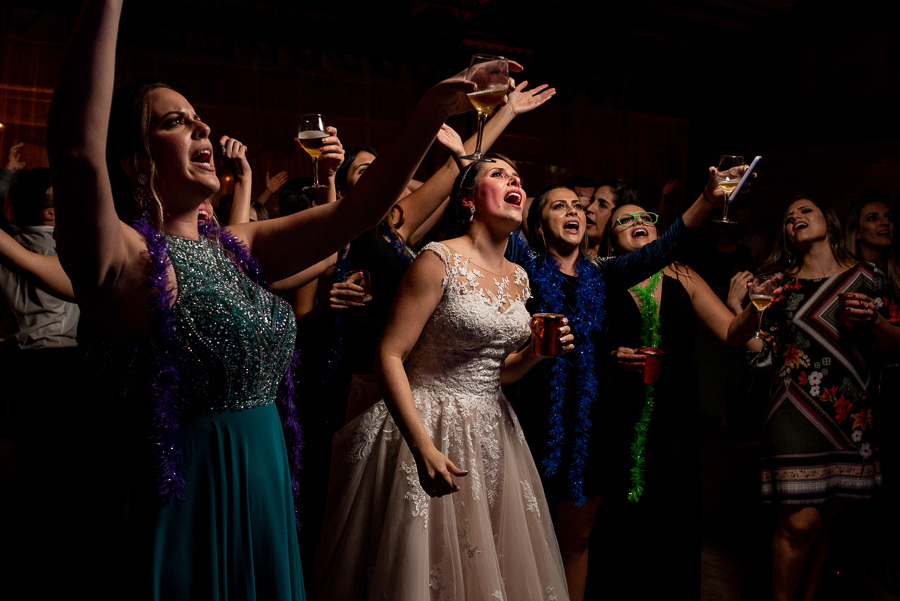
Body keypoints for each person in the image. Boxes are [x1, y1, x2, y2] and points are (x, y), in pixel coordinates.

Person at [46, 1, 481, 598]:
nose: (202, 128)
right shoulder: (124, 257)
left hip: (264, 478)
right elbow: (75, 151)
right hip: (182, 494)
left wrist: (431, 109)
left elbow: (358, 212)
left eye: (199, 118)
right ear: (132, 159)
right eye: (175, 122)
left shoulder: (239, 244)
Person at [314, 156, 574, 601]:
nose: (513, 180)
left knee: (487, 563)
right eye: (498, 173)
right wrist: (422, 446)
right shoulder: (438, 259)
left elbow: (497, 373)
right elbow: (389, 355)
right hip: (427, 423)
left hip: (495, 432)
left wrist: (534, 353)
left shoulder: (519, 278)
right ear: (469, 199)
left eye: (517, 177)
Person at [503, 168, 744, 601]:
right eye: (559, 206)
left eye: (577, 206)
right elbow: (495, 222)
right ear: (538, 223)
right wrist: (466, 160)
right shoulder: (524, 266)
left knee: (577, 539)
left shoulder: (604, 273)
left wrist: (708, 198)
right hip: (533, 419)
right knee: (523, 536)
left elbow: (666, 245)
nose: (573, 211)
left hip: (591, 427)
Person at [735, 196, 900, 601]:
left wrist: (875, 320)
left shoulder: (869, 277)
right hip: (792, 414)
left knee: (824, 520)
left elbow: (895, 348)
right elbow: (761, 356)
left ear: (828, 220)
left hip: (850, 416)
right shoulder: (778, 285)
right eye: (788, 216)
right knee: (798, 524)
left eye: (805, 210)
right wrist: (738, 307)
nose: (796, 217)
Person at [601, 200, 760, 600]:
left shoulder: (683, 276)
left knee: (672, 512)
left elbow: (731, 333)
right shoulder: (601, 277)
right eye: (625, 220)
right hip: (618, 413)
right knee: (620, 518)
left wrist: (754, 307)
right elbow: (581, 346)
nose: (638, 222)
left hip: (675, 414)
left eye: (646, 217)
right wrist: (611, 355)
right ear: (610, 239)